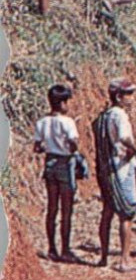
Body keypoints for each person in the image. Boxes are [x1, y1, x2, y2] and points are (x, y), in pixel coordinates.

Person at [92, 79, 136, 272]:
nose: (131, 98)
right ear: (119, 97)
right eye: (128, 94)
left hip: (107, 169)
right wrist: (133, 149)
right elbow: (124, 137)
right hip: (122, 168)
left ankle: (103, 256)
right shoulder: (120, 115)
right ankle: (125, 259)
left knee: (107, 211)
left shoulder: (104, 116)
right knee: (126, 214)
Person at [34, 83, 82, 262]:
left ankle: (52, 248)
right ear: (62, 103)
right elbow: (74, 143)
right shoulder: (68, 122)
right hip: (65, 162)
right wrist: (72, 149)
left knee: (52, 208)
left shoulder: (42, 122)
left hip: (50, 163)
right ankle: (65, 249)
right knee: (67, 209)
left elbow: (37, 147)